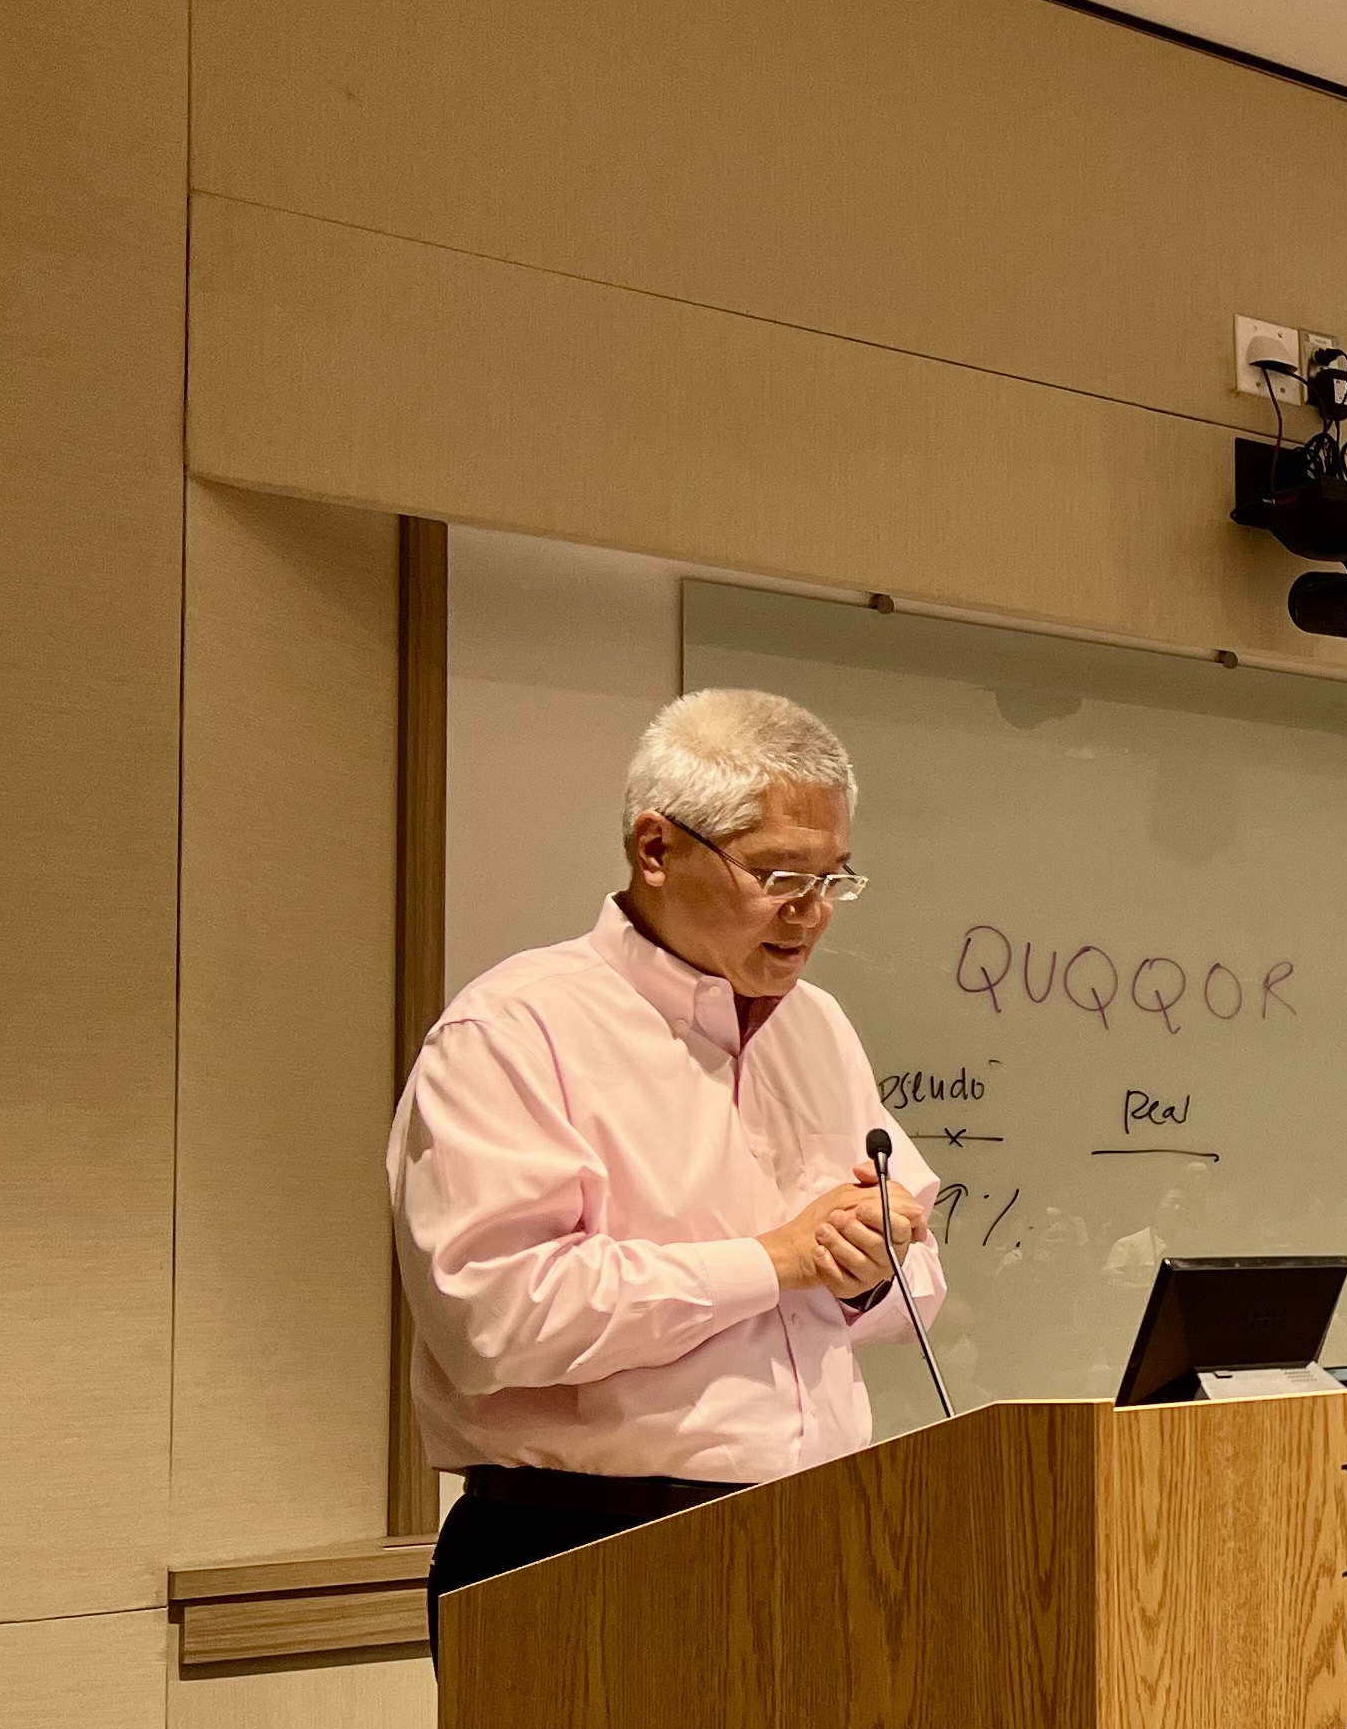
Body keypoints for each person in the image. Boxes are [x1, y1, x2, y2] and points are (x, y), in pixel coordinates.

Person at [391, 688, 945, 1646]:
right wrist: (774, 1259)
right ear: (656, 849)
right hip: (582, 1546)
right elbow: (491, 1318)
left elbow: (915, 1287)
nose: (811, 915)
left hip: (820, 1529)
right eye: (779, 874)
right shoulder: (517, 1029)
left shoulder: (817, 1027)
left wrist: (865, 1268)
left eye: (835, 880)